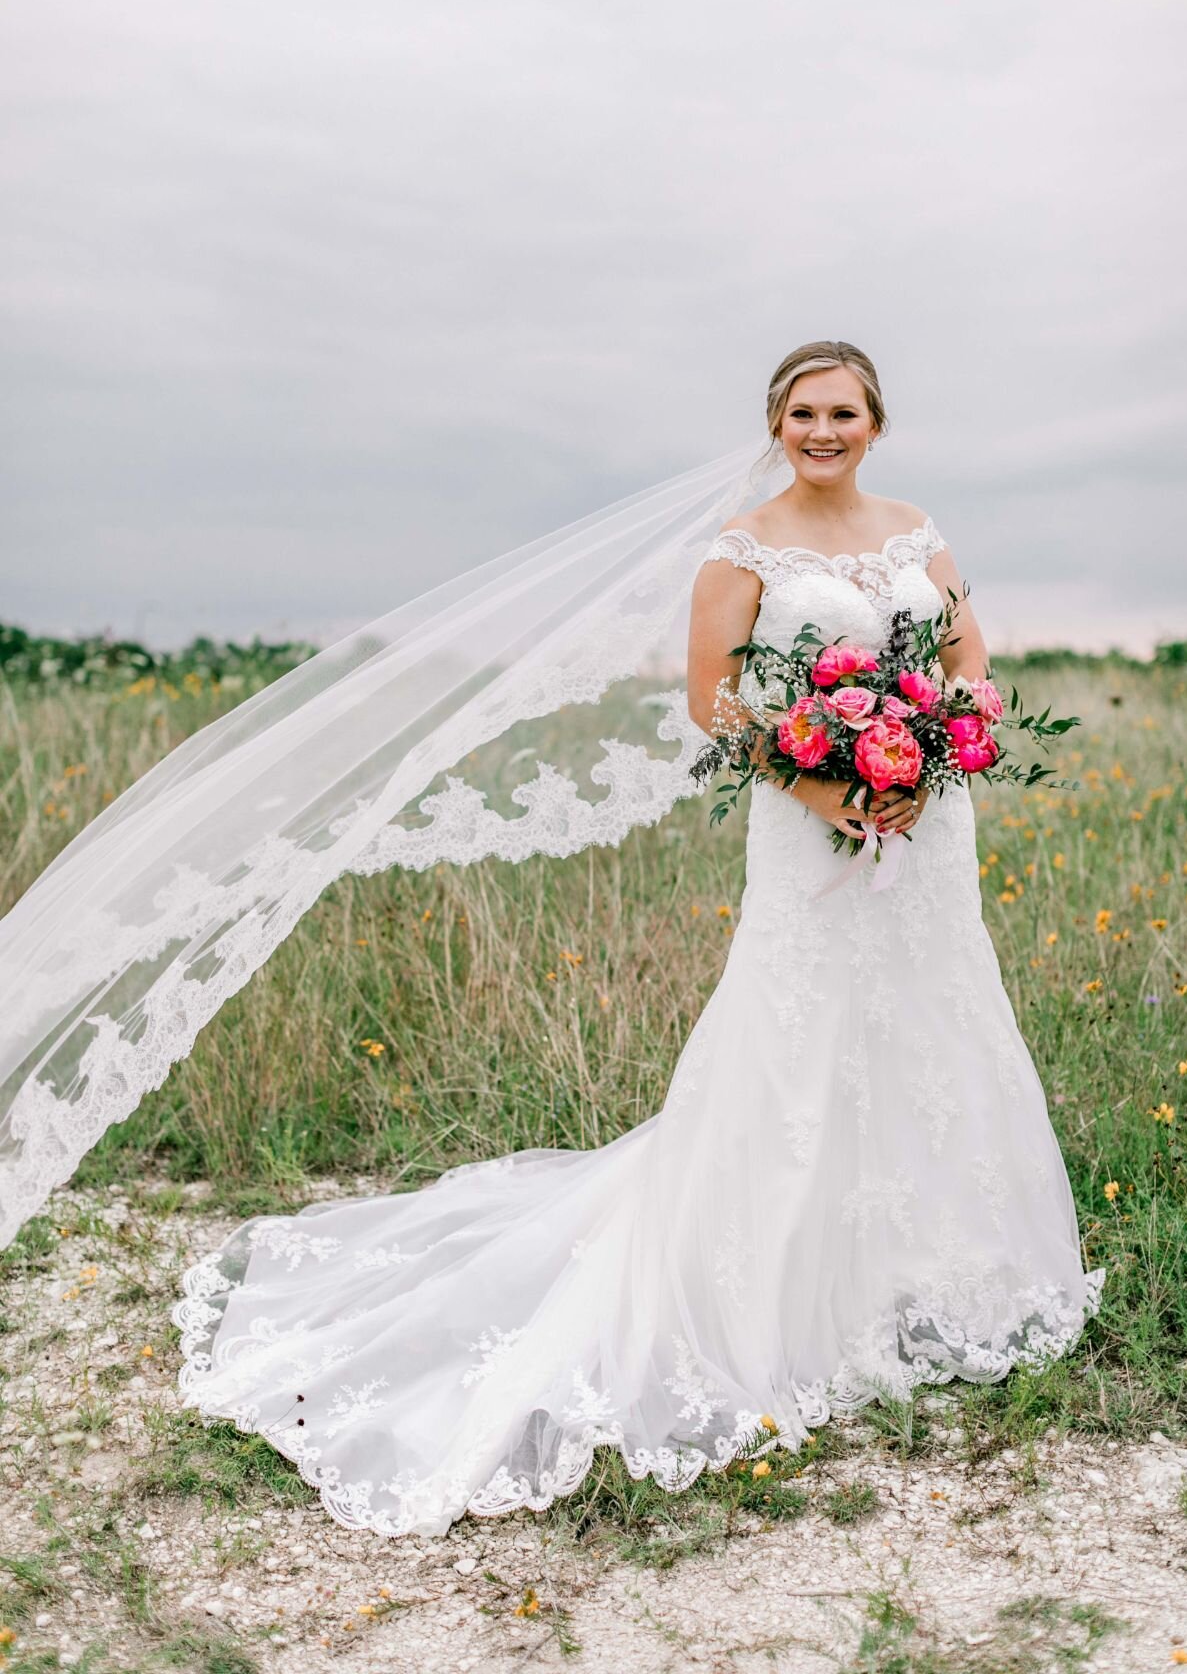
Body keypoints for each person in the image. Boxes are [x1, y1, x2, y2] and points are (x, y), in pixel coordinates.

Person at [164, 341, 1104, 1538]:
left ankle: (923, 1273)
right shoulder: (740, 549)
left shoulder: (921, 532)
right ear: (776, 422)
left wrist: (936, 744)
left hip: (928, 829)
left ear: (877, 422)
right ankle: (775, 1296)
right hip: (811, 825)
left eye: (845, 412)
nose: (825, 430)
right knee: (801, 1032)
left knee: (933, 1015)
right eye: (805, 412)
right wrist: (821, 785)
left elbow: (968, 663)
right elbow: (713, 699)